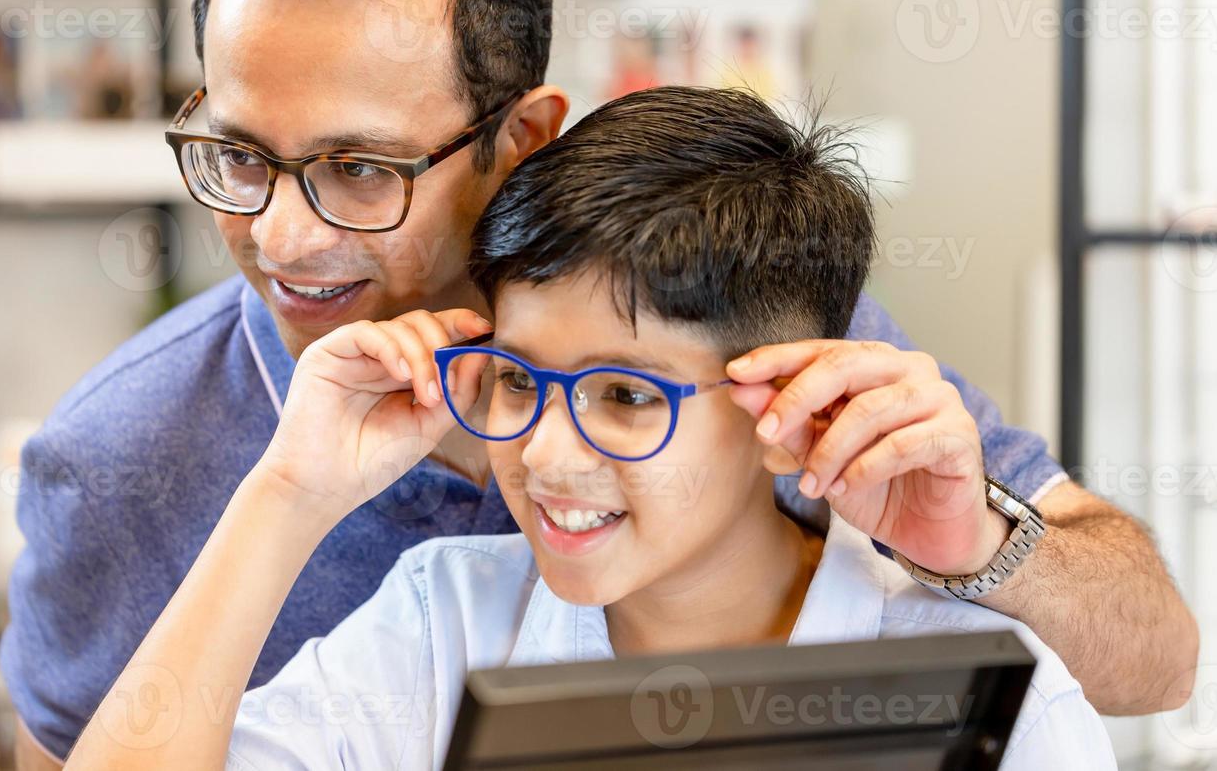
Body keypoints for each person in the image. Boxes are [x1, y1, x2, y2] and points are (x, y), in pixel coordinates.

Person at [3, 0, 1195, 769]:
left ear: (520, 138)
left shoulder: (744, 324)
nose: (279, 232)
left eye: (360, 168)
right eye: (243, 154)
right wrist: (284, 499)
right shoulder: (123, 458)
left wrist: (986, 547)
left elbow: (1154, 661)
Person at [65, 86, 1117, 769]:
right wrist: (287, 492)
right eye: (519, 381)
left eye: (625, 395)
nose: (549, 455)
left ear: (781, 407)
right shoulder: (443, 627)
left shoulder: (982, 680)